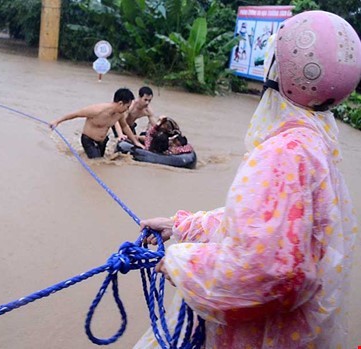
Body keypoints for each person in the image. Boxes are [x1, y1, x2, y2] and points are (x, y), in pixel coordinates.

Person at [134, 11, 360, 349]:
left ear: (279, 72)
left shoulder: (283, 153)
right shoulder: (315, 141)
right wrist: (182, 227)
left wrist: (181, 262)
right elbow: (267, 227)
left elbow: (269, 269)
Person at [49, 88, 144, 159]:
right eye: (127, 106)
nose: (127, 110)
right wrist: (57, 121)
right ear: (120, 103)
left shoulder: (119, 114)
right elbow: (75, 114)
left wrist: (136, 142)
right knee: (96, 163)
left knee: (102, 161)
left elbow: (125, 126)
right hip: (88, 140)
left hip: (102, 141)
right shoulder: (97, 110)